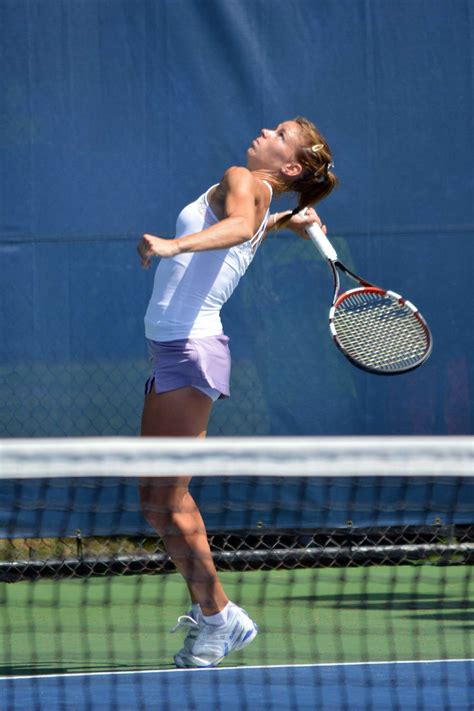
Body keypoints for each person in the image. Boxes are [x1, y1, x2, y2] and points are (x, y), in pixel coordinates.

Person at [137, 117, 337, 668]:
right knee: (161, 500)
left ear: (290, 165)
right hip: (178, 351)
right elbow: (245, 226)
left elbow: (233, 227)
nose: (265, 130)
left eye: (279, 132)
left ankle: (219, 619)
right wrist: (280, 223)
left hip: (188, 350)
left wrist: (174, 244)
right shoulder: (256, 190)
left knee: (162, 501)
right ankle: (219, 618)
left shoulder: (240, 179)